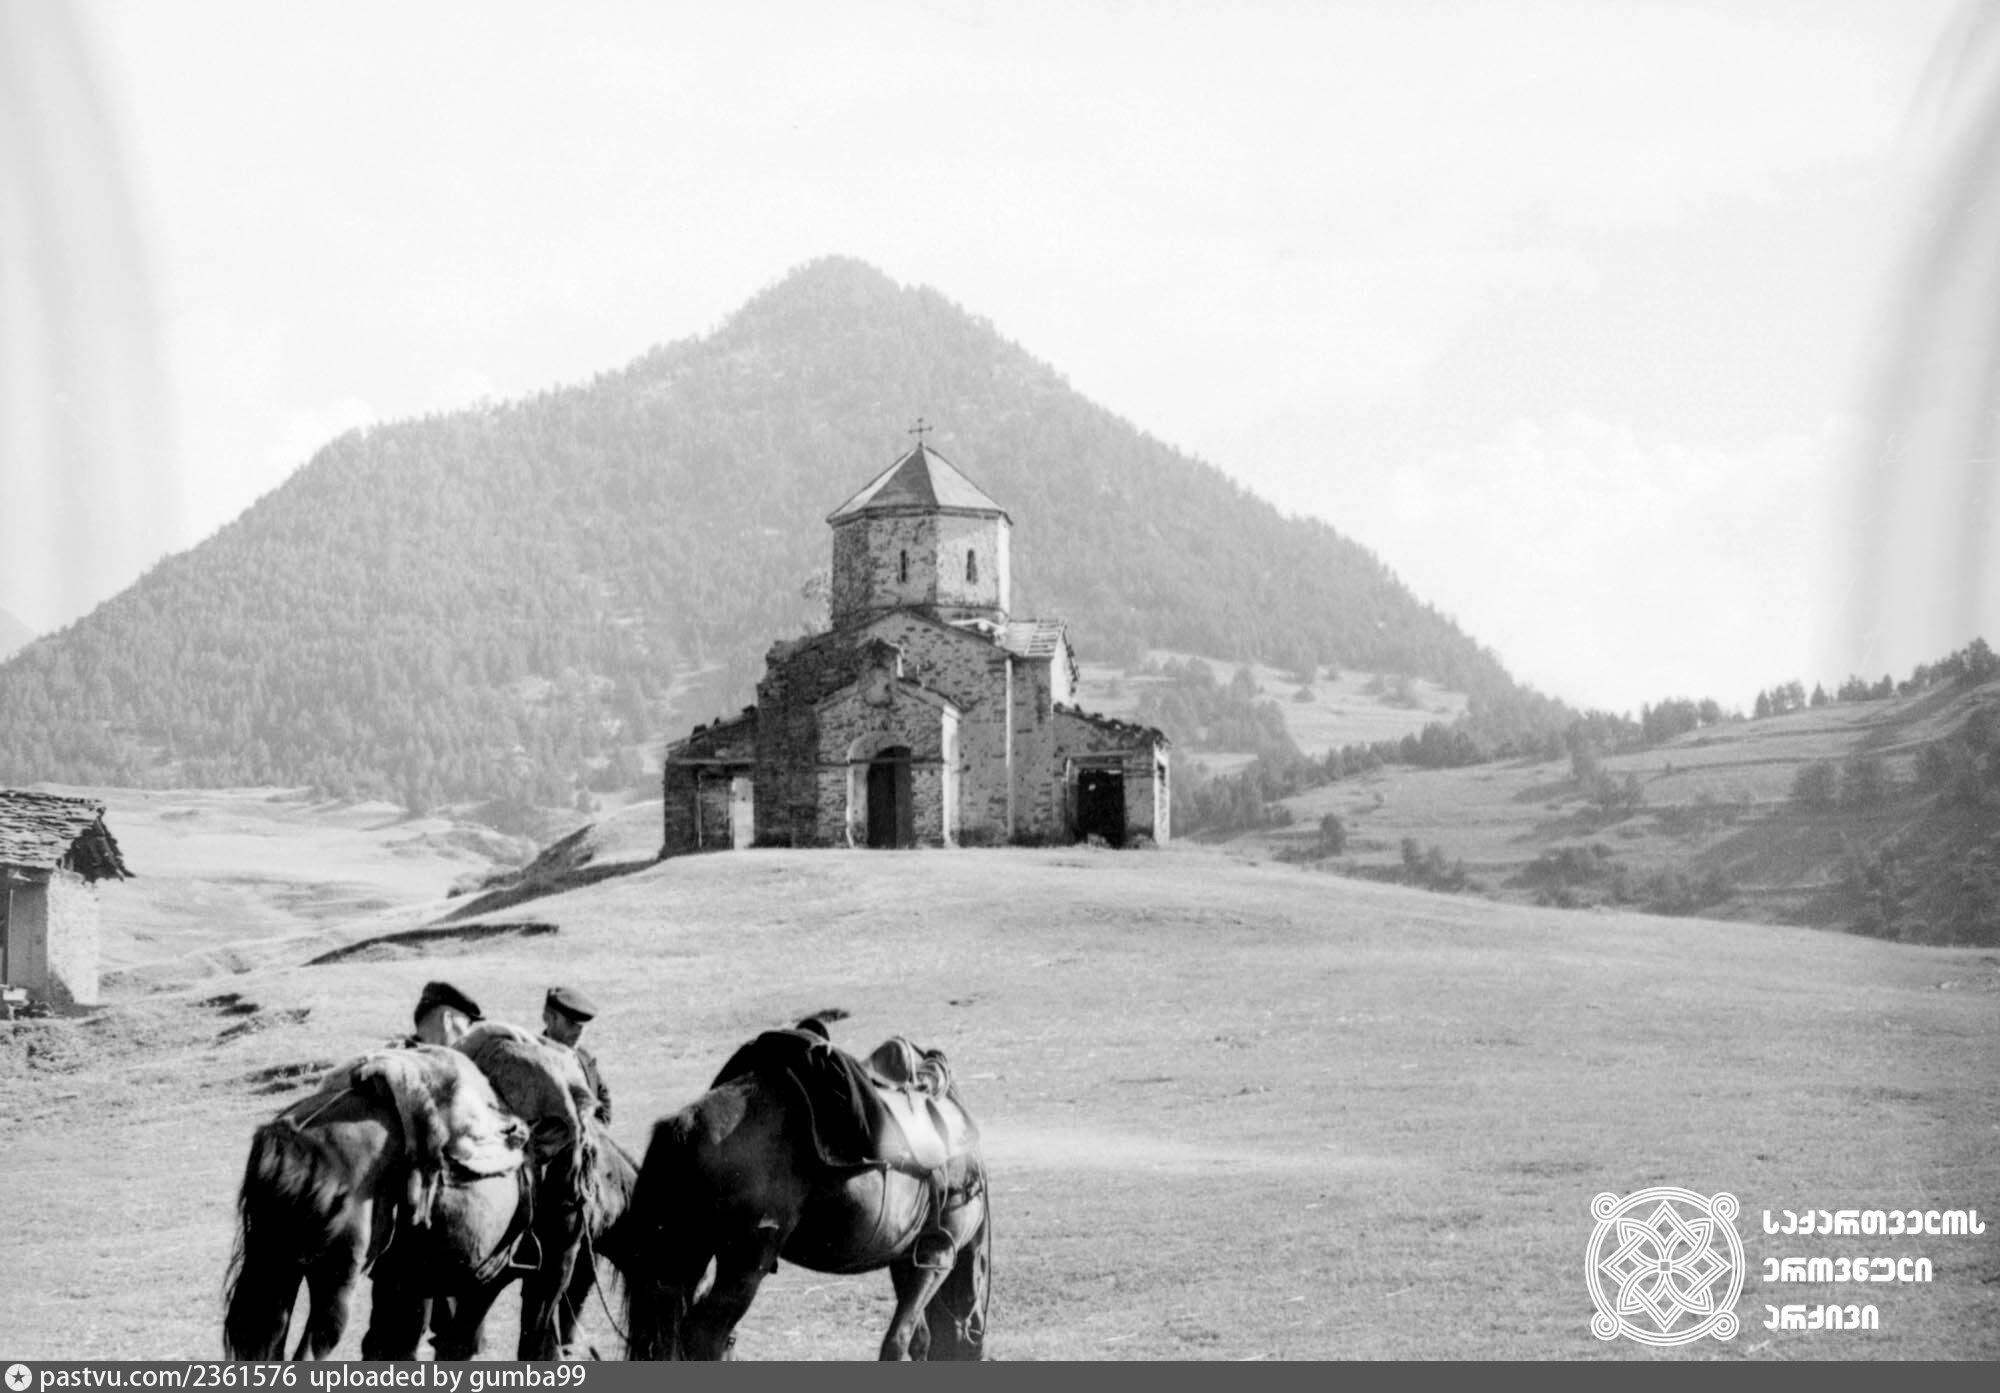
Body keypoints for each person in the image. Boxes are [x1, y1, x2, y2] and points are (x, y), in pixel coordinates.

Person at [541, 986, 611, 1125]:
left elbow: (602, 1096)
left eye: (581, 1025)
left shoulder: (584, 1058)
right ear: (548, 1018)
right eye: (571, 1023)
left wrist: (597, 1130)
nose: (578, 1031)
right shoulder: (533, 1061)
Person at [403, 980, 482, 1047]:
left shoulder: (402, 1053)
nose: (469, 1033)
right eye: (467, 1025)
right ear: (447, 1020)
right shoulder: (452, 1060)